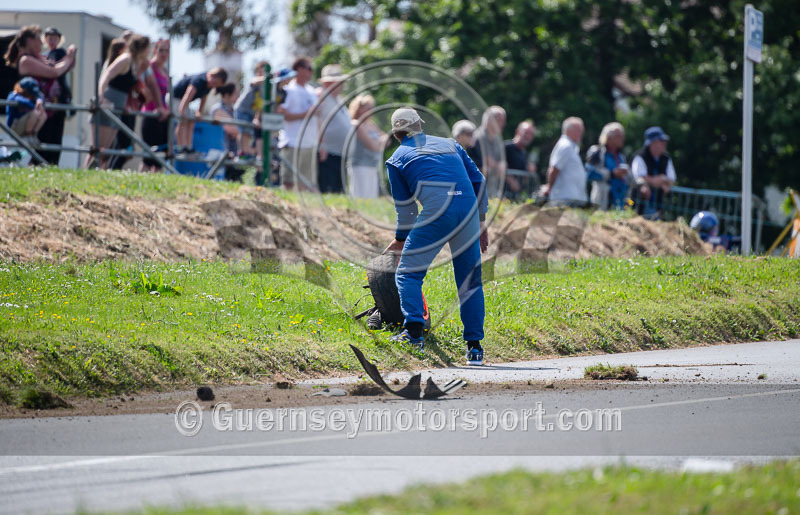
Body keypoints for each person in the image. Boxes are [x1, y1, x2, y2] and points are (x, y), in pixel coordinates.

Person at [382, 107, 489, 366]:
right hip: (468, 213)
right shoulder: (451, 144)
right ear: (420, 125)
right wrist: (482, 222)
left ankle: (414, 334)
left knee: (408, 273)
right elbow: (479, 181)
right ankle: (475, 349)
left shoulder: (397, 158)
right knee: (470, 281)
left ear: (397, 134)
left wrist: (400, 238)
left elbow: (405, 208)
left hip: (437, 213)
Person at [4, 25, 76, 165]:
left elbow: (61, 66)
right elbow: (54, 72)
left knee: (53, 151)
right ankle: (35, 181)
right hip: (37, 112)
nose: (42, 43)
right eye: (38, 39)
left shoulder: (40, 58)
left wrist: (68, 59)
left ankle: (49, 182)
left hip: (51, 110)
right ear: (29, 41)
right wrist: (69, 57)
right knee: (41, 154)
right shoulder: (26, 60)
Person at [85, 34, 150, 169]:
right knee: (97, 149)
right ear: (142, 48)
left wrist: (129, 104)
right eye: (148, 48)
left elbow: (133, 90)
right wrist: (100, 96)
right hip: (108, 103)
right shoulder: (125, 59)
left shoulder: (135, 63)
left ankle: (97, 179)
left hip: (118, 108)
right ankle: (85, 176)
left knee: (106, 153)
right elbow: (107, 75)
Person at [275, 56, 319, 191]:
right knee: (288, 182)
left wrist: (320, 142)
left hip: (310, 143)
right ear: (299, 69)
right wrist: (305, 114)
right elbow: (282, 115)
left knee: (306, 183)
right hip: (292, 142)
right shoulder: (288, 90)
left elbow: (317, 118)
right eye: (309, 68)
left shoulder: (312, 91)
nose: (311, 72)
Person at [172, 67, 228, 153]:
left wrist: (199, 112)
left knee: (191, 121)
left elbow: (203, 98)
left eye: (216, 85)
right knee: (182, 121)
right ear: (211, 75)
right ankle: (181, 147)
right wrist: (182, 111)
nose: (214, 86)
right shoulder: (199, 80)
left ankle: (188, 147)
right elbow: (188, 94)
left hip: (184, 102)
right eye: (214, 83)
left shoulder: (208, 85)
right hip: (175, 98)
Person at [315, 64, 351, 193]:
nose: (342, 85)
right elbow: (317, 120)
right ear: (329, 82)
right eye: (339, 82)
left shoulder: (338, 99)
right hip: (327, 152)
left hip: (340, 153)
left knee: (339, 189)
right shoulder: (321, 96)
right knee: (327, 187)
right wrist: (321, 144)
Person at [41, 27, 74, 165]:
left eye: (55, 38)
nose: (52, 40)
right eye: (49, 37)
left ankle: (53, 161)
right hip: (45, 97)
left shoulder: (60, 53)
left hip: (57, 98)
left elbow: (64, 68)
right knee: (44, 131)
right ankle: (43, 160)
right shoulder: (43, 54)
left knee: (56, 131)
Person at [631, 126, 676, 220]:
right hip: (637, 205)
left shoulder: (666, 158)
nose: (664, 143)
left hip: (658, 206)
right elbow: (639, 178)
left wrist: (660, 180)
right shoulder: (640, 157)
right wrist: (660, 181)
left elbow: (672, 179)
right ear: (652, 143)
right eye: (661, 141)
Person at [347, 94, 388, 198]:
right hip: (360, 165)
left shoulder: (370, 124)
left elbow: (387, 139)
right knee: (360, 197)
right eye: (368, 108)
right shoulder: (356, 124)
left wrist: (380, 142)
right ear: (359, 109)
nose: (371, 111)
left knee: (371, 199)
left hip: (372, 166)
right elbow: (372, 146)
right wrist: (380, 142)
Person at [140, 39, 171, 172]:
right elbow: (142, 87)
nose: (164, 53)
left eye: (166, 50)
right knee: (149, 156)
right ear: (154, 51)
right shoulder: (149, 66)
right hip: (151, 114)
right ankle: (140, 184)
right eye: (161, 50)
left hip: (163, 116)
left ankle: (156, 188)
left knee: (160, 157)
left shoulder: (165, 70)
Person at [542, 116, 587, 207]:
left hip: (571, 197)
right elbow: (554, 169)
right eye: (578, 130)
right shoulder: (565, 146)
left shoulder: (570, 146)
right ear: (567, 130)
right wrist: (549, 187)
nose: (581, 133)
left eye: (581, 130)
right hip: (565, 198)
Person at [585, 122, 631, 209]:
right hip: (602, 202)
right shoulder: (596, 152)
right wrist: (611, 174)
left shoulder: (621, 157)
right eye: (618, 136)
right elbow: (589, 173)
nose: (622, 139)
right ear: (609, 138)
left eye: (622, 136)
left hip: (620, 203)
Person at [233, 60, 269, 160]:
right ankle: (242, 151)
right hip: (242, 109)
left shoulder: (264, 85)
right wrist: (268, 78)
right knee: (244, 131)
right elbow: (253, 82)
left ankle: (245, 151)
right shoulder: (257, 80)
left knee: (247, 132)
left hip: (251, 112)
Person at [209, 83, 244, 182]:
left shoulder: (233, 110)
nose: (238, 96)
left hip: (231, 151)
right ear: (227, 95)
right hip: (220, 151)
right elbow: (234, 129)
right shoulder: (218, 109)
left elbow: (236, 129)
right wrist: (237, 130)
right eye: (236, 93)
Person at [470, 105, 507, 197]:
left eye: (503, 120)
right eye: (499, 119)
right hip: (476, 189)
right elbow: (484, 160)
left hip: (492, 189)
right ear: (489, 119)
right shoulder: (477, 138)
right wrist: (497, 166)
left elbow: (501, 162)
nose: (502, 123)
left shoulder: (498, 141)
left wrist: (502, 165)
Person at [504, 120, 537, 199]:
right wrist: (511, 180)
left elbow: (524, 178)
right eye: (526, 132)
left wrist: (529, 171)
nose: (528, 136)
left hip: (515, 197)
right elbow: (497, 166)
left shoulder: (524, 153)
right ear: (517, 131)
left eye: (531, 134)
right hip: (501, 195)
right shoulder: (506, 147)